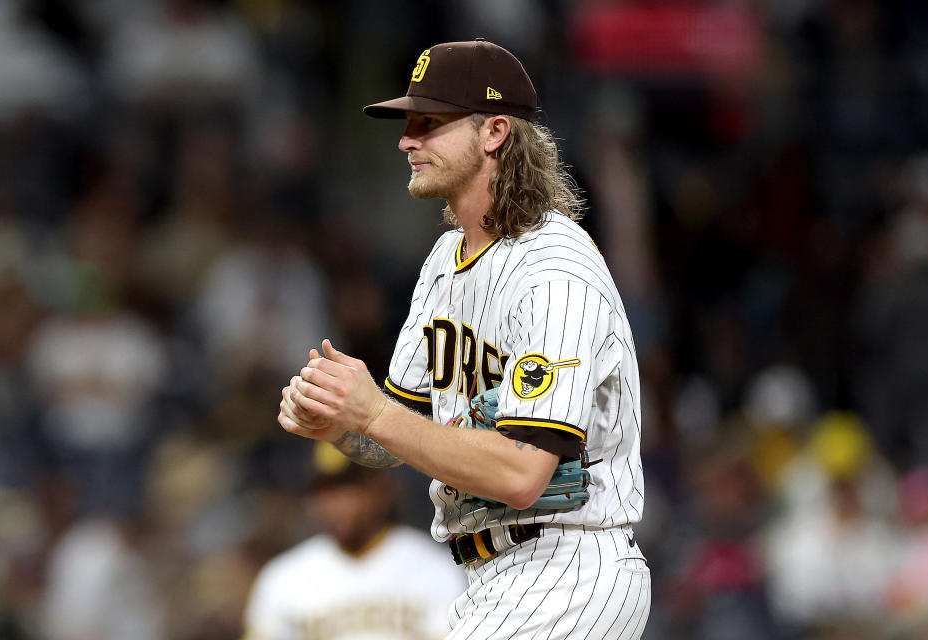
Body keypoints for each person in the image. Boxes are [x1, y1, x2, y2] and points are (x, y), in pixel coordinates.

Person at [278, 39, 650, 638]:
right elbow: (400, 434)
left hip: (567, 567)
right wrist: (341, 426)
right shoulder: (445, 261)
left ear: (495, 131)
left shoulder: (553, 268)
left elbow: (523, 475)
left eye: (429, 123)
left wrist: (371, 412)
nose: (406, 140)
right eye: (408, 124)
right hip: (491, 577)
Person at [242, 442, 465, 640]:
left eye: (345, 489)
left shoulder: (435, 568)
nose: (331, 506)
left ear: (380, 489)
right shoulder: (283, 577)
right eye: (321, 492)